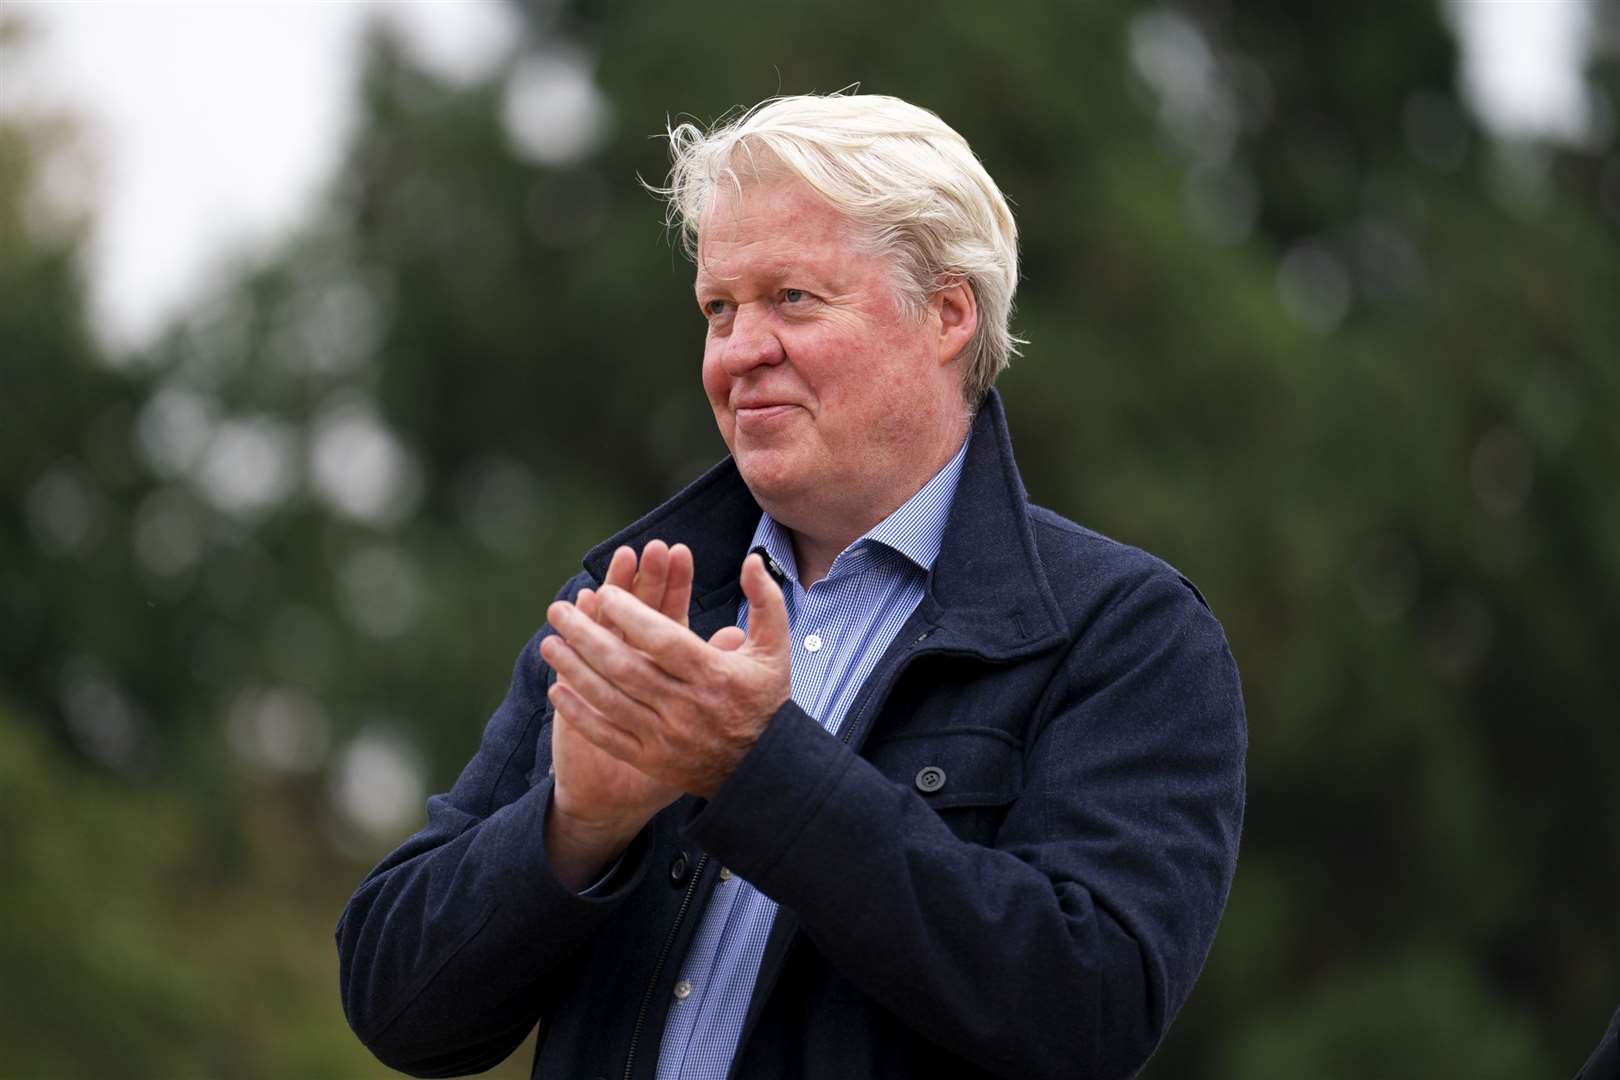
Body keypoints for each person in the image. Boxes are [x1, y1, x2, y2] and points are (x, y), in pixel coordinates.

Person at [336, 92, 1246, 1080]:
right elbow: (397, 1004)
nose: (737, 353)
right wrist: (573, 828)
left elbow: (1089, 1005)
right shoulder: (632, 601)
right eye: (718, 309)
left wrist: (756, 770)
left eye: (792, 299)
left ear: (946, 314)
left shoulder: (1124, 635)